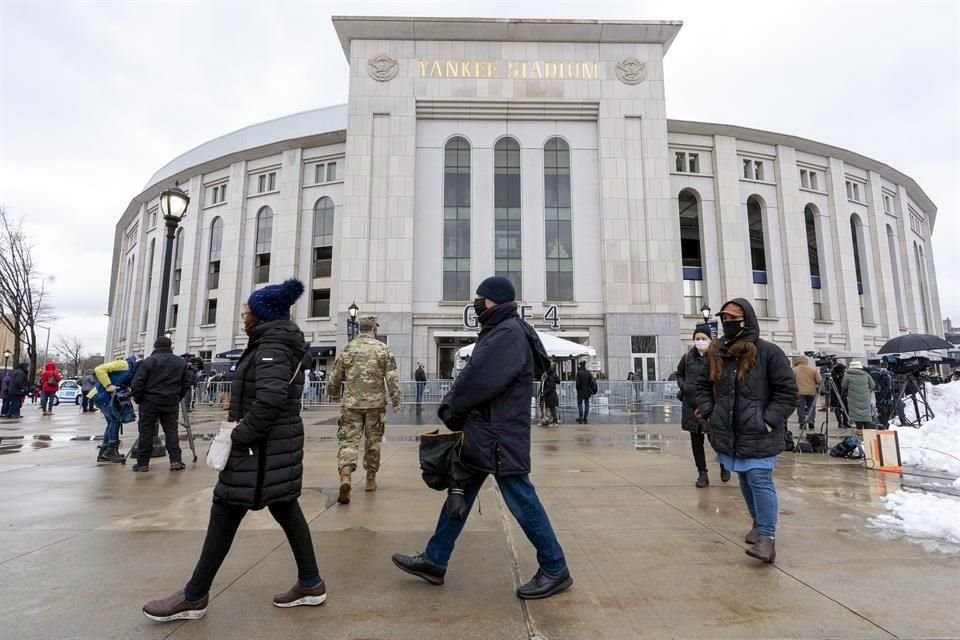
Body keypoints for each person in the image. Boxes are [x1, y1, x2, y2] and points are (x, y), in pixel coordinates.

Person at [142, 278, 325, 622]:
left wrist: (239, 436)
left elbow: (270, 399)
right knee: (284, 505)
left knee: (226, 507)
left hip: (259, 449)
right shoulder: (272, 343)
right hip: (272, 447)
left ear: (262, 315)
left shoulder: (271, 346)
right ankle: (311, 582)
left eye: (248, 310)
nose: (244, 315)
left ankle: (195, 595)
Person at [392, 276, 572, 600]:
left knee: (522, 498)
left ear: (495, 301)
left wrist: (451, 408)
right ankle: (435, 559)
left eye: (481, 299)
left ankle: (555, 568)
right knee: (458, 491)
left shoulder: (507, 334)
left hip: (498, 435)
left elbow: (478, 380)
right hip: (489, 433)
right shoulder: (503, 331)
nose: (477, 304)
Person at [695, 298, 797, 564]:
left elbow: (787, 392)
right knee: (743, 478)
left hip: (758, 431)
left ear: (747, 321)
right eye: (724, 319)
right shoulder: (719, 352)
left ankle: (767, 538)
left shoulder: (769, 353)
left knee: (759, 478)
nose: (728, 324)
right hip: (729, 431)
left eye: (733, 320)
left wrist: (768, 420)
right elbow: (703, 385)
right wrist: (710, 411)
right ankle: (757, 522)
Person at [326, 315, 401, 504]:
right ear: (374, 328)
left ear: (360, 328)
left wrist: (333, 394)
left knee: (349, 442)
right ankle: (370, 479)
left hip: (352, 404)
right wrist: (396, 400)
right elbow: (391, 378)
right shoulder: (382, 349)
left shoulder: (349, 348)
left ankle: (345, 476)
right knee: (373, 442)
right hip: (375, 405)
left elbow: (335, 376)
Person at [676, 324, 729, 488]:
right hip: (691, 405)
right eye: (697, 338)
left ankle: (724, 465)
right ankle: (702, 473)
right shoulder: (687, 357)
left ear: (710, 340)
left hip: (710, 405)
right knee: (696, 441)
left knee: (715, 439)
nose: (700, 341)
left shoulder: (716, 357)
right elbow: (679, 374)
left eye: (703, 338)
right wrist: (684, 386)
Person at [130, 337, 191, 473]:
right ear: (170, 346)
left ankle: (142, 463)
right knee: (171, 431)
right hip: (170, 401)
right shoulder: (180, 362)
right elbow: (187, 381)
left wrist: (139, 399)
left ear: (155, 346)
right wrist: (177, 396)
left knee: (146, 432)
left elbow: (137, 383)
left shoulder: (148, 362)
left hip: (149, 401)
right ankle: (175, 461)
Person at [90, 356, 139, 463]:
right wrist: (108, 385)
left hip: (102, 397)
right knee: (115, 421)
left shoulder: (131, 370)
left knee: (112, 422)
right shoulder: (123, 364)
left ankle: (105, 452)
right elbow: (99, 369)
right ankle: (110, 451)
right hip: (102, 396)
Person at [842, 360, 876, 437]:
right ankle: (868, 435)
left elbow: (844, 386)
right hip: (865, 398)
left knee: (857, 416)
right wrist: (867, 391)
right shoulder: (866, 374)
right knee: (866, 415)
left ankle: (859, 433)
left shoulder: (847, 375)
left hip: (853, 399)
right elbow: (873, 385)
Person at [792, 356, 822, 430]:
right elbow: (820, 381)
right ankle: (811, 421)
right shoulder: (812, 370)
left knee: (800, 408)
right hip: (811, 392)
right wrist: (822, 390)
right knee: (811, 407)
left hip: (799, 392)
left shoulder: (793, 370)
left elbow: (790, 381)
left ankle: (802, 424)